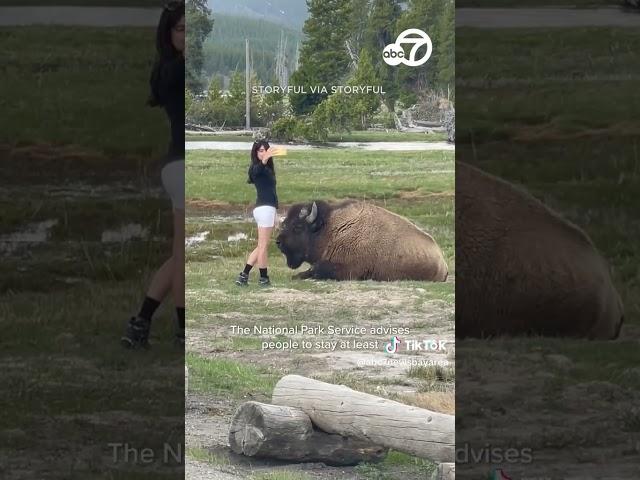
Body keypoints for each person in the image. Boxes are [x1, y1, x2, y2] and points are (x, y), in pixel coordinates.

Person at [121, 1, 185, 348]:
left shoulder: (169, 68)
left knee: (180, 254)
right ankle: (183, 331)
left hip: (176, 166)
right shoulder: (175, 70)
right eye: (182, 30)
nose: (189, 36)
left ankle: (141, 322)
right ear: (169, 33)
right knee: (183, 255)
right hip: (182, 167)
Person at [236, 141, 280, 287]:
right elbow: (256, 171)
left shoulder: (267, 169)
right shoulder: (257, 168)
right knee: (263, 247)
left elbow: (273, 193)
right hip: (264, 209)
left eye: (265, 150)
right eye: (260, 150)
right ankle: (263, 278)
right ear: (256, 153)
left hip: (267, 209)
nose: (263, 153)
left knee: (261, 245)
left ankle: (244, 275)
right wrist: (265, 158)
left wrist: (276, 212)